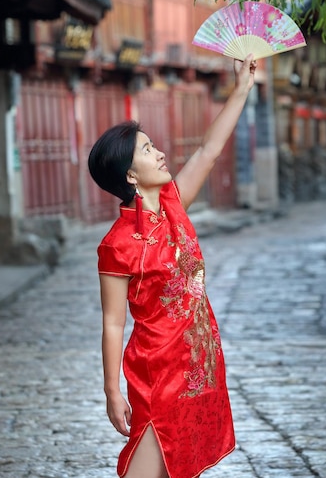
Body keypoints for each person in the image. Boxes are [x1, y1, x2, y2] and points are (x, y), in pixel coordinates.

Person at [88, 54, 257, 478]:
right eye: (148, 150)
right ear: (130, 175)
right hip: (155, 371)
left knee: (181, 468)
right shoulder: (116, 246)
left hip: (197, 363)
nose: (161, 153)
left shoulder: (173, 206)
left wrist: (242, 89)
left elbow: (209, 150)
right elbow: (112, 323)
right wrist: (112, 390)